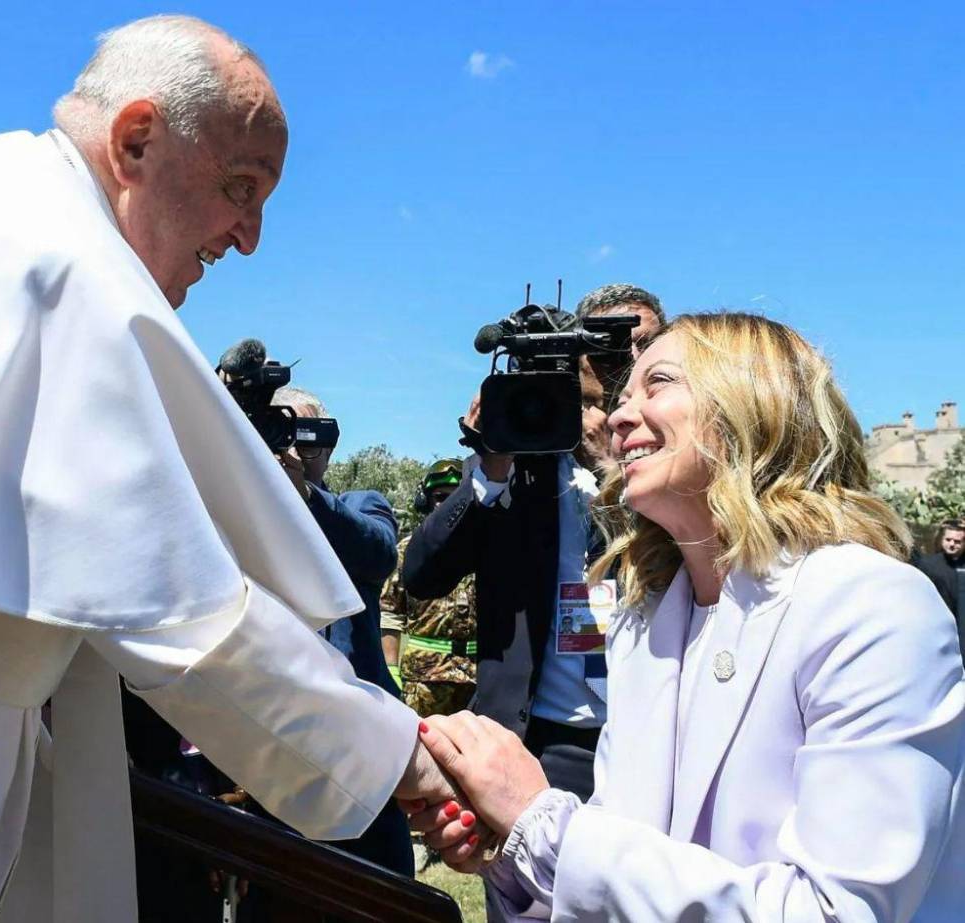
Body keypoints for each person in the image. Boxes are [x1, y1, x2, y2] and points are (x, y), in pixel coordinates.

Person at [0, 16, 455, 923]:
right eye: (240, 186)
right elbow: (185, 621)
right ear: (136, 140)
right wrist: (397, 755)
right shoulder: (55, 259)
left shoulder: (0, 202)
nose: (248, 236)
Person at [411, 313, 965, 921]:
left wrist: (543, 823)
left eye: (658, 384)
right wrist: (512, 852)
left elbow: (836, 910)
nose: (617, 419)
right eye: (619, 399)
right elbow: (630, 869)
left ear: (755, 406)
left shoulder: (873, 607)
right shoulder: (644, 624)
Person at [404, 305, 663, 802]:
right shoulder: (507, 473)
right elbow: (422, 575)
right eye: (580, 397)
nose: (594, 412)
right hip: (535, 740)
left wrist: (614, 468)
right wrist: (491, 466)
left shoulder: (661, 469)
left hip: (643, 736)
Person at [270, 384, 413, 876]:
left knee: (382, 882)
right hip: (277, 735)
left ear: (327, 448)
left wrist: (304, 496)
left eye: (304, 438)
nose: (291, 451)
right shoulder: (239, 523)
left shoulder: (357, 503)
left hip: (360, 736)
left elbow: (377, 552)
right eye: (278, 433)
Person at [381, 458, 478, 717]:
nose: (447, 503)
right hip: (423, 682)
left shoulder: (486, 550)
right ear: (425, 501)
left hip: (477, 680)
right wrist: (391, 670)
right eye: (440, 496)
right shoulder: (407, 551)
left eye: (456, 496)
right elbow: (390, 615)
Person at [915, 520, 965, 660]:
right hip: (938, 628)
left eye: (957, 541)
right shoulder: (929, 565)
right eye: (948, 539)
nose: (952, 544)